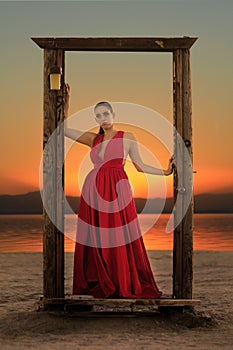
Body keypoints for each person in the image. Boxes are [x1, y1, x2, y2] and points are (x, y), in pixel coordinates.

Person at [64, 83, 174, 299]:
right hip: (93, 190)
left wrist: (166, 171)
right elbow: (65, 129)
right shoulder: (93, 139)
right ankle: (101, 280)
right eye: (98, 115)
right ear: (96, 119)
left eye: (106, 113)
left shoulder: (127, 137)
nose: (103, 117)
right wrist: (67, 102)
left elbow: (140, 166)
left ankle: (122, 281)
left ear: (113, 114)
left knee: (121, 235)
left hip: (117, 190)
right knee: (96, 237)